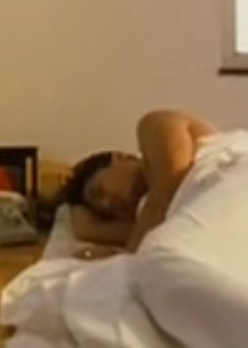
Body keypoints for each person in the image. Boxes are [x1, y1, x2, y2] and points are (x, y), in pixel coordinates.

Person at [56, 109, 217, 259]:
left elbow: (169, 188)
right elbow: (89, 230)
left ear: (119, 158)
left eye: (98, 192)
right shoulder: (150, 219)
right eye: (106, 215)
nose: (107, 205)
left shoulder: (152, 126)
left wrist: (127, 256)